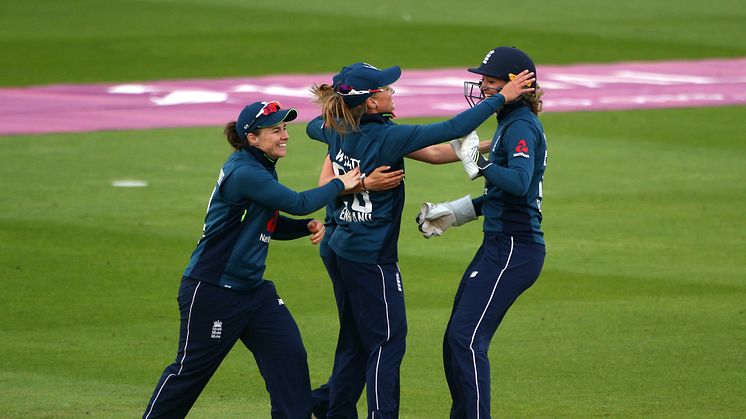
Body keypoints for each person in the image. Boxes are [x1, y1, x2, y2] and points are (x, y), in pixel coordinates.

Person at [307, 62, 535, 418]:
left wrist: (492, 145)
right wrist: (499, 99)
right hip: (370, 258)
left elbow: (433, 152)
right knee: (387, 342)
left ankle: (332, 410)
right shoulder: (386, 137)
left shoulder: (338, 126)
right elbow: (453, 127)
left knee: (354, 339)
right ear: (370, 103)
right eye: (386, 89)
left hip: (338, 246)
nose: (392, 92)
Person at [142, 100, 360, 419]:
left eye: (284, 128)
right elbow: (298, 202)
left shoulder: (259, 168)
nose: (284, 135)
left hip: (254, 293)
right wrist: (340, 184)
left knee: (289, 360)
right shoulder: (245, 172)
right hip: (213, 291)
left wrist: (303, 228)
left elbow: (264, 222)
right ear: (252, 138)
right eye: (275, 130)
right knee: (188, 374)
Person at [417, 46, 548, 418]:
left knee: (466, 340)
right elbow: (502, 195)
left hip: (514, 248)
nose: (481, 87)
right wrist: (457, 213)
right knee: (456, 339)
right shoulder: (510, 122)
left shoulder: (521, 125)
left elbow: (520, 183)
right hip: (501, 245)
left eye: (489, 81)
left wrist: (479, 163)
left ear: (514, 84)